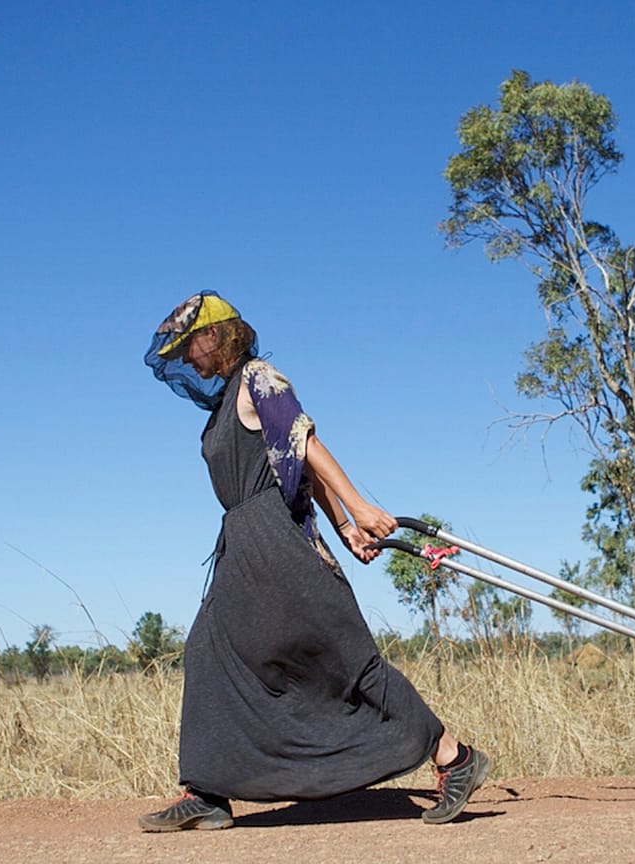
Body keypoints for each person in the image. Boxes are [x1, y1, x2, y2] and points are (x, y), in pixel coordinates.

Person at [138, 291, 488, 831]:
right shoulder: (229, 397)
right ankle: (207, 790)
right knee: (211, 650)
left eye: (190, 346)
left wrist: (357, 508)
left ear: (214, 335)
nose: (187, 359)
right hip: (243, 542)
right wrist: (345, 527)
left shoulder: (260, 378)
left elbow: (305, 443)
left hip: (277, 541)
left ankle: (454, 758)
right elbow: (293, 466)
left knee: (345, 657)